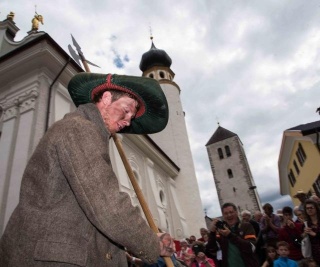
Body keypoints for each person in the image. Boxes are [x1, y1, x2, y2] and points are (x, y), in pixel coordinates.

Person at [0, 73, 172, 266]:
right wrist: (151, 242)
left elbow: (90, 223)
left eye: (131, 116)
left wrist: (126, 259)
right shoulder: (79, 129)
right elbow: (108, 206)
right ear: (106, 98)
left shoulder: (88, 133)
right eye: (126, 110)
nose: (128, 121)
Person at [207, 202, 259, 267]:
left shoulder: (246, 226)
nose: (229, 215)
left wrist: (230, 235)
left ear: (236, 212)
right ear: (223, 215)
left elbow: (251, 248)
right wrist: (212, 232)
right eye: (226, 213)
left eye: (231, 212)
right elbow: (212, 250)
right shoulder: (221, 231)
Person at [303, 199, 320, 265]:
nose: (309, 210)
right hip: (315, 255)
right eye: (307, 208)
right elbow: (297, 241)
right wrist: (304, 234)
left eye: (311, 208)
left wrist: (315, 234)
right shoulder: (306, 224)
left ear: (316, 208)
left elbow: (314, 235)